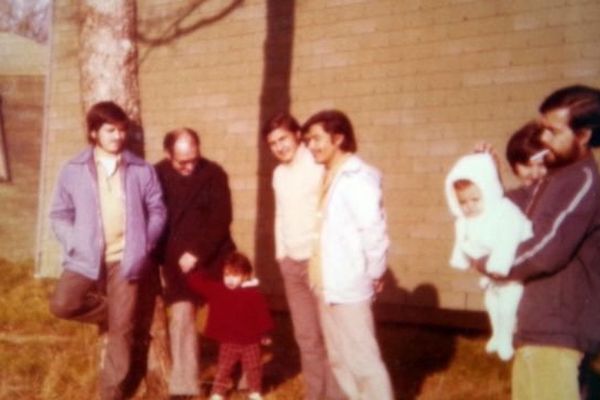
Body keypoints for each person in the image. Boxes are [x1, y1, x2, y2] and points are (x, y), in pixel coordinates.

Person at [48, 101, 167, 400]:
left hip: (125, 260)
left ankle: (110, 395)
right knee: (62, 304)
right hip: (85, 259)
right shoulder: (73, 170)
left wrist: (145, 244)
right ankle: (116, 314)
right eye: (110, 130)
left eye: (122, 130)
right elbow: (59, 214)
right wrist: (74, 241)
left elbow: (158, 210)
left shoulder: (141, 169)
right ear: (93, 132)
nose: (118, 136)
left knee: (121, 335)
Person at [490, 85, 600, 400]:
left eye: (553, 131)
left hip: (557, 330)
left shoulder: (580, 180)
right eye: (543, 130)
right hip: (542, 325)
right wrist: (486, 181)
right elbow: (520, 210)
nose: (544, 139)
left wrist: (493, 265)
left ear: (584, 135)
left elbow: (546, 251)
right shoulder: (558, 176)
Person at [301, 109, 394, 399]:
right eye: (308, 141)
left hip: (349, 286)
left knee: (363, 361)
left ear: (338, 138)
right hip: (326, 285)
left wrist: (375, 273)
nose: (311, 146)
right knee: (340, 360)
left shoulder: (357, 178)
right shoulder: (331, 175)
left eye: (316, 139)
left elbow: (374, 232)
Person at [262, 112, 345, 400]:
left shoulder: (316, 162)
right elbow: (281, 216)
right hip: (292, 265)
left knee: (331, 335)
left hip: (319, 262)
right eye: (273, 143)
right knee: (307, 337)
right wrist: (281, 255)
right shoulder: (278, 174)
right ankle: (315, 395)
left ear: (298, 134)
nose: (279, 147)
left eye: (283, 138)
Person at [155, 127, 236, 398]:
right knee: (181, 320)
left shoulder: (214, 174)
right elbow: (156, 221)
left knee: (234, 316)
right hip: (175, 262)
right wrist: (168, 258)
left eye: (194, 159)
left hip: (216, 255)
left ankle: (244, 378)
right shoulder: (156, 176)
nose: (190, 166)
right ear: (168, 155)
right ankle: (184, 388)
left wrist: (197, 252)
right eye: (182, 162)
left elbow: (221, 219)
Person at [445, 152, 532, 361]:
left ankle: (506, 339)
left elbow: (509, 237)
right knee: (491, 303)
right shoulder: (465, 220)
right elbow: (463, 241)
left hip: (512, 269)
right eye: (463, 202)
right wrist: (462, 258)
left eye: (475, 199)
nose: (470, 206)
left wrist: (499, 263)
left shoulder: (503, 211)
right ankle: (496, 333)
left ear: (489, 191)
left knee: (508, 305)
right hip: (491, 274)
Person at [181, 251, 274, 400]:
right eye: (226, 275)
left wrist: (265, 334)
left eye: (235, 275)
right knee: (224, 368)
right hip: (229, 341)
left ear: (246, 275)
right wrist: (191, 271)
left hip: (251, 341)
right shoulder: (220, 290)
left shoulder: (254, 294)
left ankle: (255, 391)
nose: (229, 279)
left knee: (253, 368)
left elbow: (262, 315)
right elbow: (201, 285)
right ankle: (218, 393)